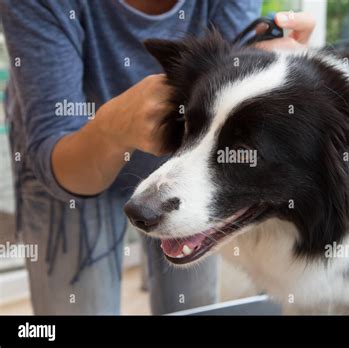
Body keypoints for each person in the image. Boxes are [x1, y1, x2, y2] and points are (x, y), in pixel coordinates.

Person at [0, 0, 315, 314]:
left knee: (190, 305)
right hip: (69, 159)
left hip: (182, 154)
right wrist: (113, 128)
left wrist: (276, 68)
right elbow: (57, 147)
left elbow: (236, 80)